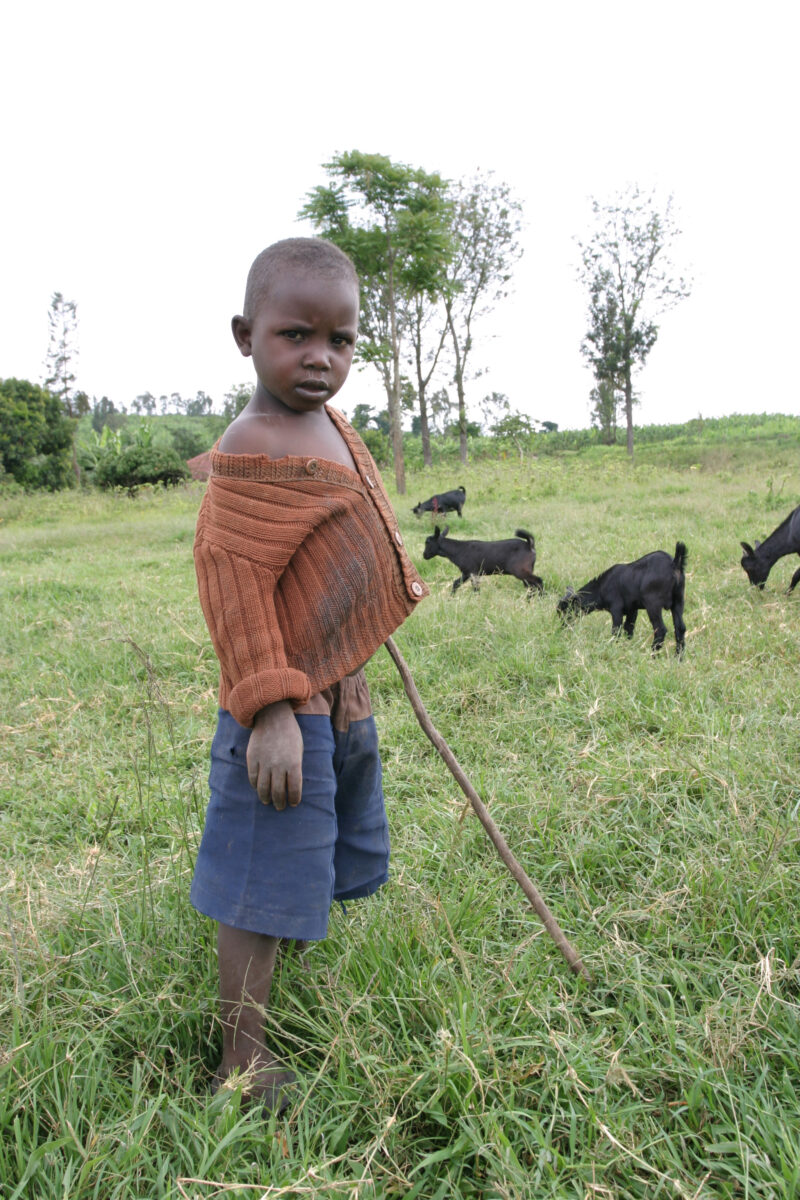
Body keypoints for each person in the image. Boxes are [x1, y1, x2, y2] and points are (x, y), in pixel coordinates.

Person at [191, 237, 428, 1112]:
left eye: (341, 340)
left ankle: (279, 969)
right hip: (283, 708)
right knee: (260, 872)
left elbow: (337, 547)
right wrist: (273, 711)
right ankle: (241, 1064)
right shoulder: (254, 446)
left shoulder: (331, 427)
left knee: (311, 849)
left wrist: (355, 644)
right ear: (245, 335)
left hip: (336, 690)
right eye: (296, 335)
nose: (321, 358)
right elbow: (235, 587)